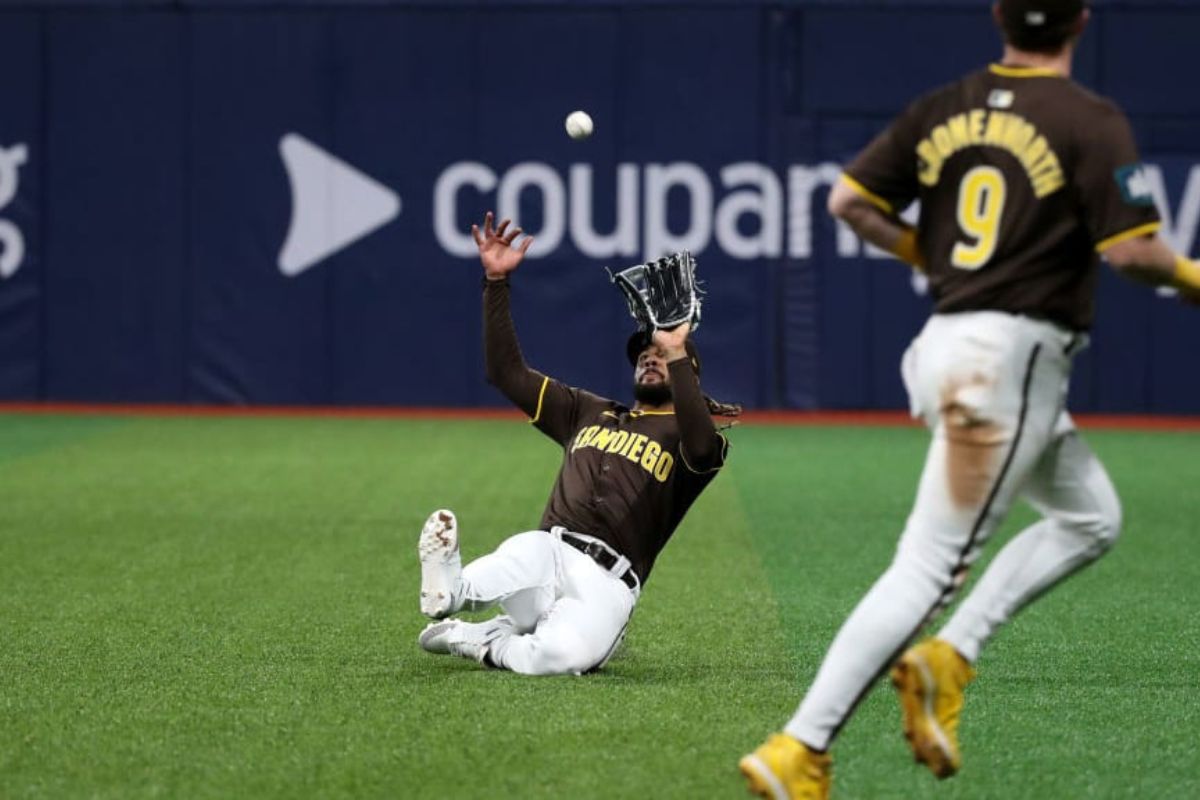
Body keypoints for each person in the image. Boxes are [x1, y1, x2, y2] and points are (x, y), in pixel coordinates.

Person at [740, 1, 1200, 796]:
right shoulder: (1088, 118)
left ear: (999, 18)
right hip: (1009, 364)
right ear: (1081, 21)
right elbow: (1132, 250)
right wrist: (1192, 276)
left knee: (1092, 518)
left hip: (948, 345)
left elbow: (848, 202)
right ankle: (799, 747)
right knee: (925, 569)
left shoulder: (944, 105)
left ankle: (948, 660)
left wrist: (930, 250)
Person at [416, 211, 737, 676]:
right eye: (644, 357)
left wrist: (676, 350)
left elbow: (704, 449)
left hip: (607, 583)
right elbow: (506, 374)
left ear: (687, 370)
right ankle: (451, 587)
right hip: (550, 552)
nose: (650, 359)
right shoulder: (589, 411)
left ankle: (483, 639)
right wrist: (495, 283)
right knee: (523, 553)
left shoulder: (691, 438)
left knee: (556, 658)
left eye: (660, 358)